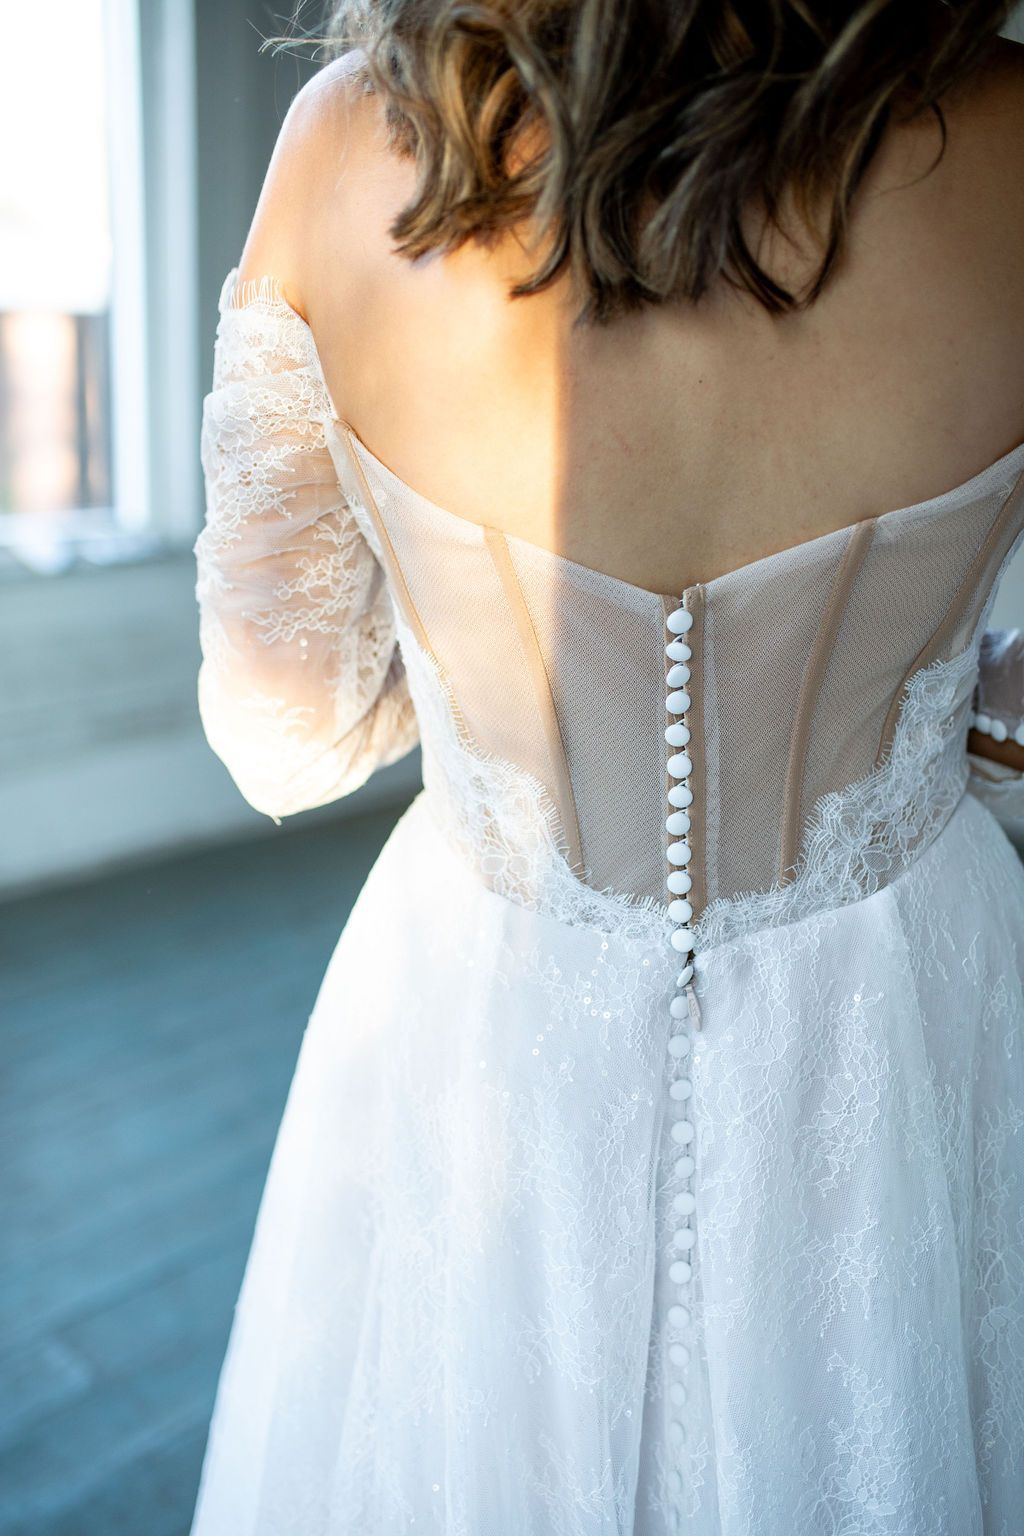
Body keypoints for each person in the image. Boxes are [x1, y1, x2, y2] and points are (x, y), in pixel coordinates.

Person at [188, 4, 1024, 1531]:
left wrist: (471, 701)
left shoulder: (341, 154)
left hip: (489, 1012)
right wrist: (941, 730)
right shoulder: (1007, 136)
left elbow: (283, 736)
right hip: (907, 1014)